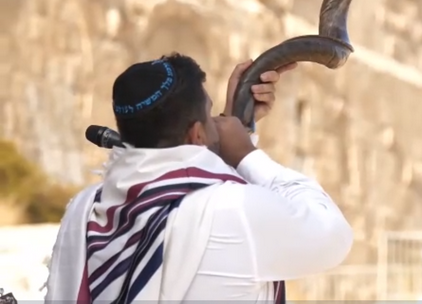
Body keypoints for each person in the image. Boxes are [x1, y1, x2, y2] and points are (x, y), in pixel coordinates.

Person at [44, 53, 353, 303]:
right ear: (196, 133)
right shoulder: (231, 210)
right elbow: (332, 235)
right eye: (211, 114)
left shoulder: (84, 209)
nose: (221, 120)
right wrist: (246, 155)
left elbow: (180, 186)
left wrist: (235, 125)